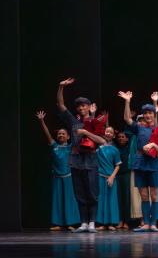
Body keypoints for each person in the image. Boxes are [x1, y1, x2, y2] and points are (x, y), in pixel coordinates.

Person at [56, 79, 107, 233]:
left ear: (89, 107)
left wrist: (85, 132)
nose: (81, 107)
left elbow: (102, 141)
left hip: (90, 159)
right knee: (79, 192)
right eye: (79, 106)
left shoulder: (95, 122)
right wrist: (61, 87)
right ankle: (83, 223)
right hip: (76, 159)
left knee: (92, 192)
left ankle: (92, 222)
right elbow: (61, 105)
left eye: (84, 105)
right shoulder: (74, 121)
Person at [118, 90, 158, 232]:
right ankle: (146, 223)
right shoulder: (139, 128)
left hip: (154, 163)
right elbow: (127, 119)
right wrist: (127, 101)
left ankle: (153, 223)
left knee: (154, 195)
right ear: (143, 115)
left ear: (154, 114)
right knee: (143, 195)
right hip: (140, 162)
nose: (148, 115)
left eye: (150, 113)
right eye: (146, 113)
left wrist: (155, 103)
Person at [36, 110, 81, 231]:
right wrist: (42, 121)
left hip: (68, 177)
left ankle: (71, 222)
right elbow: (47, 134)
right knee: (58, 200)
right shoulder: (54, 146)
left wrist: (78, 123)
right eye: (59, 134)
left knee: (69, 200)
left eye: (63, 134)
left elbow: (77, 135)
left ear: (68, 136)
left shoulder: (70, 147)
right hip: (57, 177)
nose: (61, 135)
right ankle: (58, 223)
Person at [95, 126, 122, 230]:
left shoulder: (115, 150)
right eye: (107, 131)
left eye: (111, 132)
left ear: (113, 136)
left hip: (111, 177)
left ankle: (111, 223)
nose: (108, 133)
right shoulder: (98, 148)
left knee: (111, 199)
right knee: (101, 199)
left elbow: (117, 165)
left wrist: (112, 177)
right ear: (104, 133)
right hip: (100, 176)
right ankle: (102, 223)